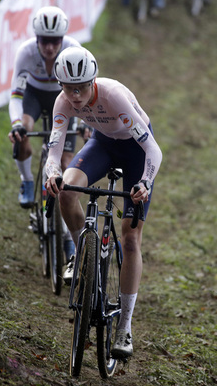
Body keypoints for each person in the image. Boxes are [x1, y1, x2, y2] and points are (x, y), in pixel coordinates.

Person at [45, 47, 162, 359]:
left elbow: (153, 150)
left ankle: (125, 325)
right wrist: (53, 173)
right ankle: (84, 255)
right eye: (69, 89)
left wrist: (144, 182)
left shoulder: (113, 97)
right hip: (102, 144)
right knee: (67, 191)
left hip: (136, 151)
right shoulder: (62, 102)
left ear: (93, 81)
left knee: (130, 236)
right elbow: (54, 151)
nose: (76, 96)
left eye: (82, 88)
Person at [8, 6, 80, 260]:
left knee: (67, 165)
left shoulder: (74, 49)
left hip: (64, 97)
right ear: (36, 39)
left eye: (55, 41)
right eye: (45, 41)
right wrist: (17, 123)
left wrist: (86, 124)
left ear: (63, 39)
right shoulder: (25, 52)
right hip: (35, 96)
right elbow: (16, 95)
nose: (50, 48)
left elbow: (84, 93)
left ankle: (68, 236)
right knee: (24, 130)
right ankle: (27, 179)